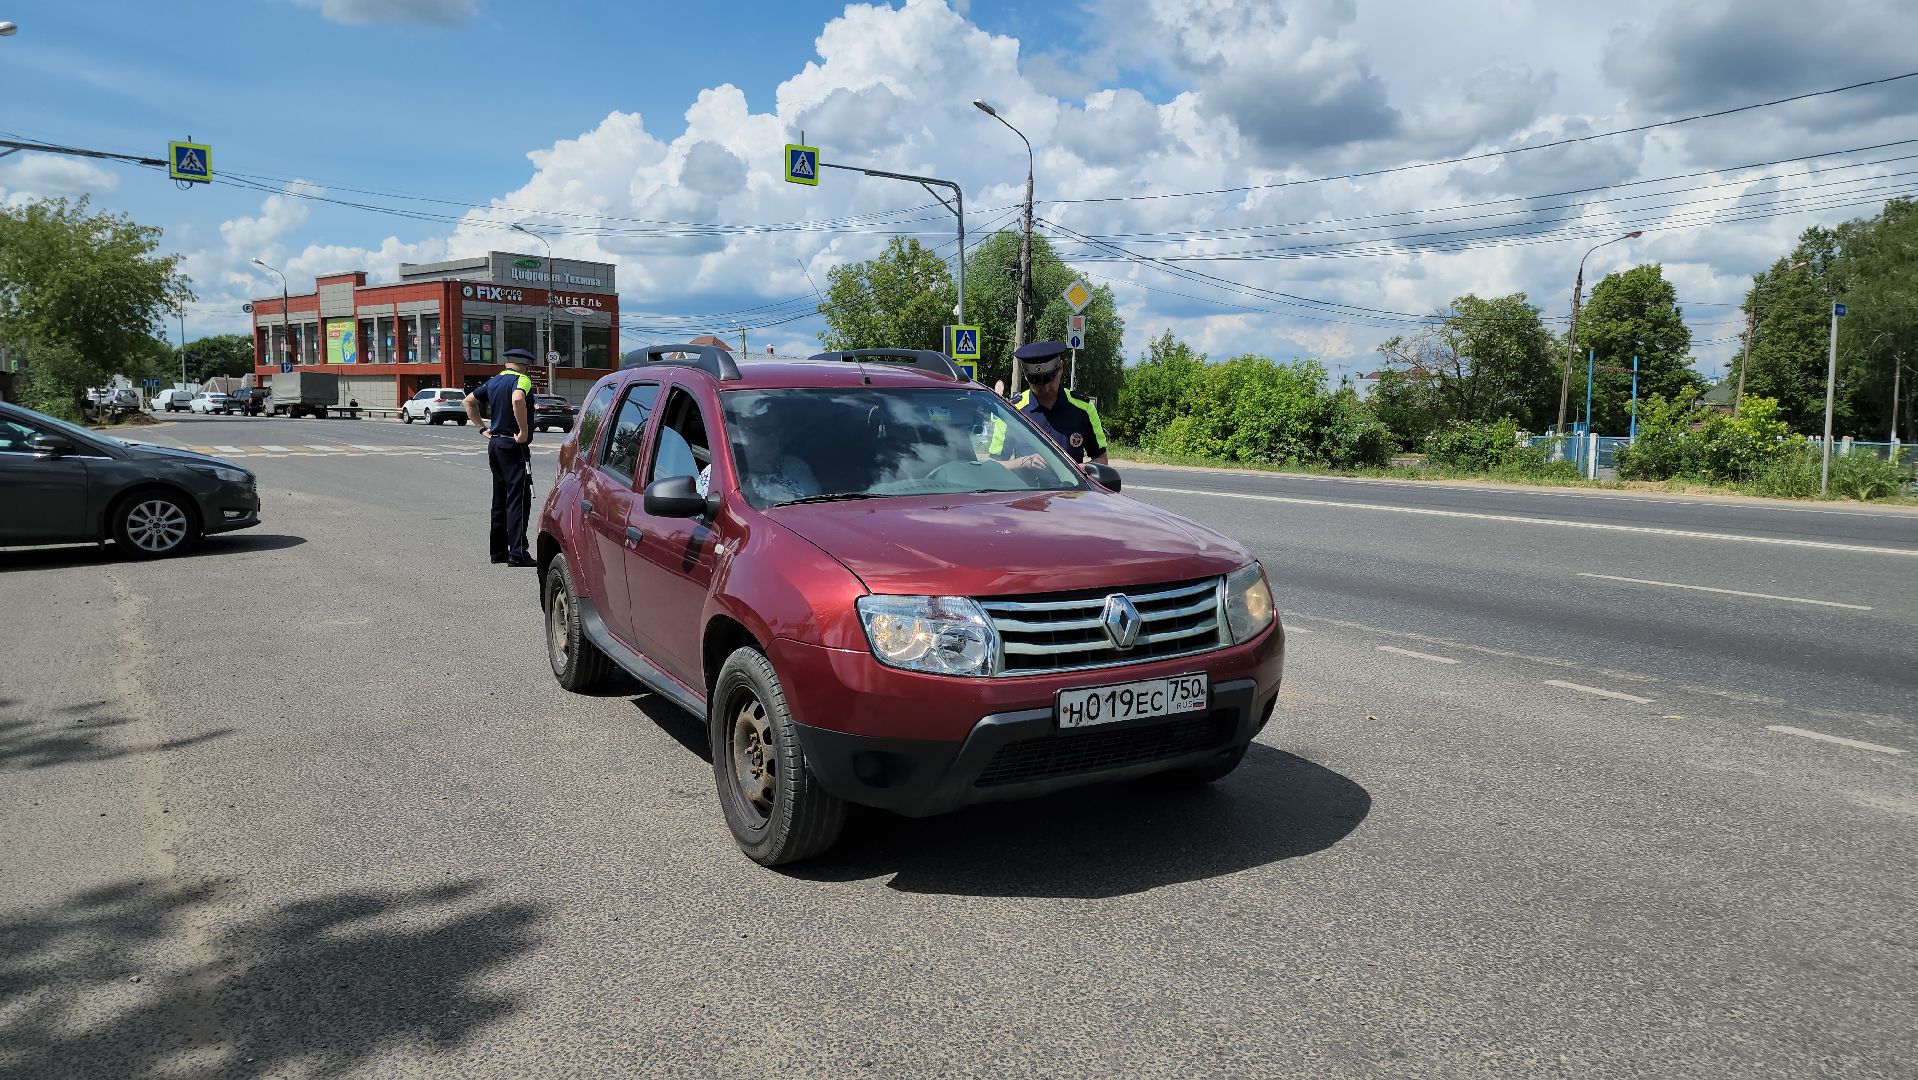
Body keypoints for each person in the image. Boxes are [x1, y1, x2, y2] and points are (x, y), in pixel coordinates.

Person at [465, 349, 537, 566]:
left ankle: (498, 552)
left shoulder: (494, 381)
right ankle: (518, 553)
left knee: (500, 498)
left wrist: (481, 428)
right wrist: (523, 431)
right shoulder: (522, 380)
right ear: (526, 366)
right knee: (518, 499)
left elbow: (468, 401)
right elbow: (517, 400)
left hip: (495, 443)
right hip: (513, 445)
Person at [999, 341, 1109, 467]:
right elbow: (994, 466)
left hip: (1071, 486)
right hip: (1026, 487)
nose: (1044, 388)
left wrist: (1080, 470)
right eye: (1036, 381)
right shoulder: (1011, 411)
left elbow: (1101, 460)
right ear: (1025, 375)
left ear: (1061, 368)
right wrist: (1022, 463)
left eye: (1049, 378)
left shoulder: (1083, 408)